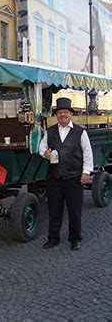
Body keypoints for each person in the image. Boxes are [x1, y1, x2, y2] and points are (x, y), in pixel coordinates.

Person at [39, 97, 93, 251]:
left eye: (66, 112)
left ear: (71, 114)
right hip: (54, 178)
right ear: (56, 115)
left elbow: (87, 153)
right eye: (60, 112)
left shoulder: (80, 132)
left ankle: (75, 239)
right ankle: (53, 238)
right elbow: (41, 148)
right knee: (54, 209)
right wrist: (46, 154)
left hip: (74, 177)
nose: (63, 115)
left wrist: (86, 172)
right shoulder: (50, 131)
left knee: (74, 210)